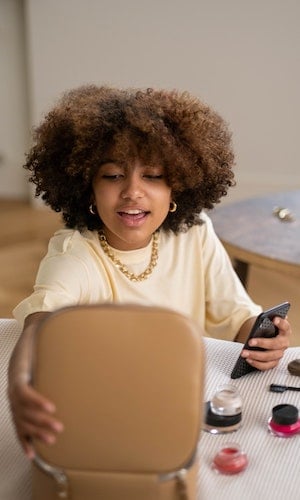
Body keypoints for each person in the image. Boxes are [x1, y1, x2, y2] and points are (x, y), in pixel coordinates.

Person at [8, 85, 291, 459]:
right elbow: (38, 322)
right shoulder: (75, 253)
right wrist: (18, 384)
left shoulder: (195, 232)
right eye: (112, 176)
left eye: (153, 176)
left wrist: (262, 339)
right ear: (86, 188)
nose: (132, 192)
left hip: (187, 393)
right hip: (114, 404)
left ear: (178, 186)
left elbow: (235, 313)